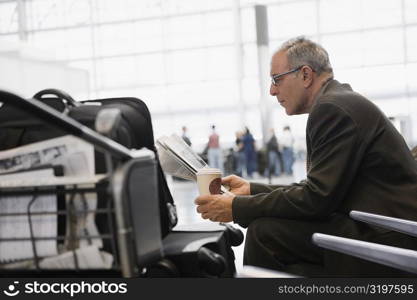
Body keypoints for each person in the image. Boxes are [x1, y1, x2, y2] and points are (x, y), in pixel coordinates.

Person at [194, 36, 417, 276]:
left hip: (386, 238)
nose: (271, 90)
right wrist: (251, 190)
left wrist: (237, 207)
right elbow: (320, 189)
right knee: (268, 231)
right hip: (378, 226)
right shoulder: (339, 102)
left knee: (266, 234)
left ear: (306, 75)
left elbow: (316, 199)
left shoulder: (332, 109)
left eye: (276, 79)